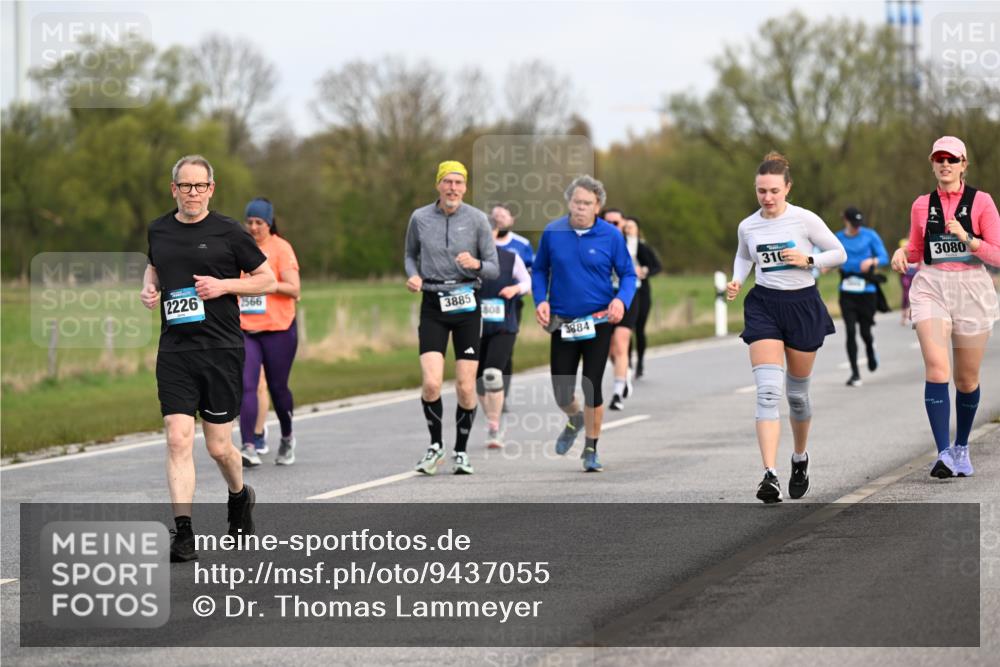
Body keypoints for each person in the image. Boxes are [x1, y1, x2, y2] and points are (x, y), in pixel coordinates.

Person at [140, 155, 275, 562]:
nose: (193, 193)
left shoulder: (229, 232)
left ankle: (239, 495)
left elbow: (267, 279)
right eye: (185, 186)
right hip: (176, 350)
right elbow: (154, 267)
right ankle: (184, 534)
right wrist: (149, 288)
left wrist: (223, 286)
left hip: (220, 349)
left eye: (200, 186)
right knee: (177, 437)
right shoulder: (158, 229)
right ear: (174, 189)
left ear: (211, 189)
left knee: (219, 447)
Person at [726, 151, 846, 503]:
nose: (767, 197)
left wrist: (809, 259)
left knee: (796, 396)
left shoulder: (804, 219)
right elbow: (743, 255)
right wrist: (737, 280)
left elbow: (838, 253)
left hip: (802, 306)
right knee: (767, 392)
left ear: (787, 188)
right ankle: (769, 475)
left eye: (774, 191)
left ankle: (799, 458)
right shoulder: (748, 226)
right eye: (761, 191)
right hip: (764, 306)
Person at [890, 136, 1000, 479]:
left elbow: (998, 254)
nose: (946, 164)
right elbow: (917, 249)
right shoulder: (921, 205)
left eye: (952, 159)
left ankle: (962, 446)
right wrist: (902, 253)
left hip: (972, 289)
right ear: (932, 163)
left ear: (964, 164)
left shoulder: (981, 202)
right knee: (938, 370)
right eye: (940, 159)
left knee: (966, 379)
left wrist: (969, 239)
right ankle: (943, 454)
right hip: (932, 287)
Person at [533, 175, 637, 472]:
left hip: (598, 321)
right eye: (577, 202)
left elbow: (628, 274)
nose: (580, 207)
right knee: (562, 392)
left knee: (592, 385)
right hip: (563, 322)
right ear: (569, 202)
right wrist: (540, 300)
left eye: (587, 203)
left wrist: (621, 301)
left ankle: (591, 448)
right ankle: (575, 418)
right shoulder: (553, 232)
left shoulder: (611, 236)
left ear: (597, 206)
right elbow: (539, 270)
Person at [405, 160, 499, 475]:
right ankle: (436, 447)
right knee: (431, 383)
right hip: (433, 303)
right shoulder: (420, 218)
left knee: (465, 386)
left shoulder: (478, 220)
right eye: (448, 182)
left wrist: (475, 264)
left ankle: (461, 451)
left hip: (467, 304)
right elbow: (410, 255)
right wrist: (413, 275)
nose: (453, 188)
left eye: (458, 183)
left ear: (465, 187)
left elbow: (493, 267)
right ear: (438, 185)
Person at [237, 198, 301, 467]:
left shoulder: (280, 248)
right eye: (249, 222)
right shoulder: (239, 247)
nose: (253, 227)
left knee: (277, 388)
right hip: (246, 329)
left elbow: (294, 288)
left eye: (259, 222)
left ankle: (287, 437)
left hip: (278, 329)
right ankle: (248, 445)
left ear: (269, 223)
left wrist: (266, 284)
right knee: (247, 385)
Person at [477, 217, 532, 448]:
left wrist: (515, 288)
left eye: (487, 230)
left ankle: (494, 427)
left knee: (492, 374)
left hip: (504, 325)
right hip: (474, 327)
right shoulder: (467, 260)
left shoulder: (510, 258)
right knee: (478, 381)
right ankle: (492, 418)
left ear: (495, 232)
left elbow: (527, 282)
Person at [836, 206, 890, 387]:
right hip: (847, 291)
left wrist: (872, 261)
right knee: (850, 331)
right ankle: (855, 374)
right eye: (853, 223)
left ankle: (870, 349)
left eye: (858, 223)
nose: (857, 227)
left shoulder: (870, 235)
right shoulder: (838, 238)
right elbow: (829, 256)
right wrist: (826, 265)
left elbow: (884, 257)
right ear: (845, 220)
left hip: (867, 291)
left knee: (865, 332)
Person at [490, 204, 534, 411]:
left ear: (511, 220)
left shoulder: (521, 244)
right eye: (495, 216)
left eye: (502, 215)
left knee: (505, 350)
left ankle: (502, 395)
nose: (499, 219)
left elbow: (531, 272)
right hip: (483, 304)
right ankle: (481, 391)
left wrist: (521, 288)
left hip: (510, 305)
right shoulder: (481, 244)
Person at [624, 218, 662, 379]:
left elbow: (657, 266)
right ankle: (627, 362)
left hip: (642, 292)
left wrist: (645, 271)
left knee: (639, 329)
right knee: (627, 329)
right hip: (626, 292)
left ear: (637, 229)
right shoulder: (619, 245)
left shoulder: (643, 246)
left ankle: (640, 362)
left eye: (631, 227)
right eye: (626, 227)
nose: (628, 229)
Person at [898, 238, 918, 325]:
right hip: (905, 274)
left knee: (915, 294)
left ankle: (913, 315)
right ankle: (904, 315)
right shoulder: (903, 242)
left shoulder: (917, 244)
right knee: (906, 293)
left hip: (915, 273)